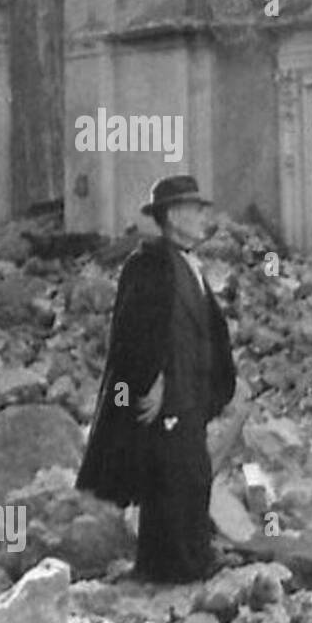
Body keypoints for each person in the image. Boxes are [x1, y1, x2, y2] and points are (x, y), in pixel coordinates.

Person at [77, 175, 236, 582]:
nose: (204, 218)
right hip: (166, 396)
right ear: (172, 216)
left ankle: (186, 559)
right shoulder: (147, 264)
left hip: (191, 393)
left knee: (191, 475)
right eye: (195, 210)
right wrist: (152, 380)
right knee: (171, 477)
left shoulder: (189, 264)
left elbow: (202, 329)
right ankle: (171, 568)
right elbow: (135, 334)